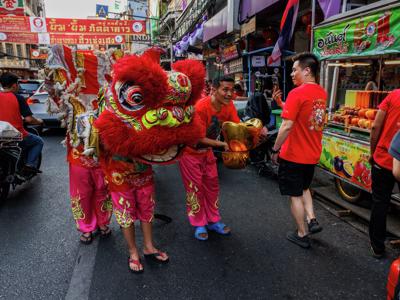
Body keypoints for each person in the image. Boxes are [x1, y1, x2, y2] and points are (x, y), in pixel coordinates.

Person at [271, 53, 327, 249]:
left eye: (295, 70)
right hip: (312, 154)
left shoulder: (297, 93)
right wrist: (281, 105)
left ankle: (302, 234)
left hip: (294, 155)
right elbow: (303, 114)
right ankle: (312, 219)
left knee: (295, 194)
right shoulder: (321, 93)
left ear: (307, 70)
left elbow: (287, 126)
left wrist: (275, 148)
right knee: (304, 188)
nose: (292, 74)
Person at [178, 76, 240, 240]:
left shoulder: (229, 106)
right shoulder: (201, 107)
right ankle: (199, 223)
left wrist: (254, 132)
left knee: (212, 187)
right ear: (213, 90)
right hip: (190, 154)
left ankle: (213, 220)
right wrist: (222, 145)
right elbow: (197, 139)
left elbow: (236, 127)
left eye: (231, 90)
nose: (229, 94)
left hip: (207, 153)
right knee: (195, 189)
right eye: (225, 89)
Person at [369, 90, 400, 258]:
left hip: (384, 158)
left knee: (380, 203)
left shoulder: (394, 95)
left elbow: (375, 126)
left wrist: (372, 152)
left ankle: (377, 247)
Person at [0, 72, 44, 174]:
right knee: (38, 141)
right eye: (18, 84)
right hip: (13, 134)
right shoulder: (18, 98)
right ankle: (29, 165)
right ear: (15, 85)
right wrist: (39, 121)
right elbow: (29, 119)